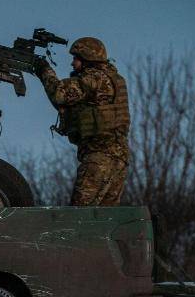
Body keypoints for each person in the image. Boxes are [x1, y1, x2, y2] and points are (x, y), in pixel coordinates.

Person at [33, 37, 130, 206]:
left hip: (99, 159)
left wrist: (43, 69)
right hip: (118, 160)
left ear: (87, 58)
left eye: (75, 59)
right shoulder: (113, 79)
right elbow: (69, 103)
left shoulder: (94, 78)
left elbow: (59, 94)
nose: (72, 63)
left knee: (80, 215)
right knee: (104, 218)